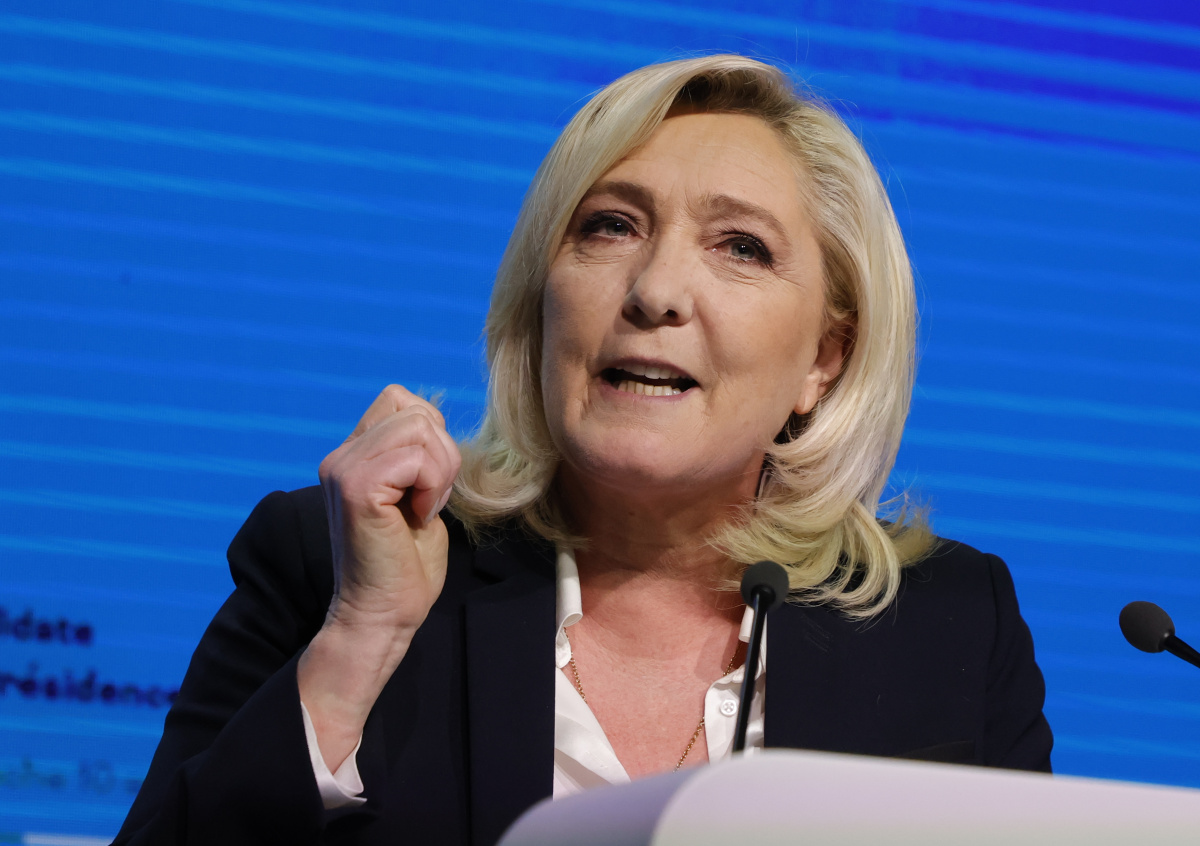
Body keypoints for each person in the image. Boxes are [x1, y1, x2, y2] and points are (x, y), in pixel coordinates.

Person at [113, 54, 1051, 846]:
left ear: (824, 359)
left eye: (740, 247)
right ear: (541, 298)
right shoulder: (334, 569)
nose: (655, 290)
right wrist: (362, 638)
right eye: (611, 226)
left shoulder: (950, 628)